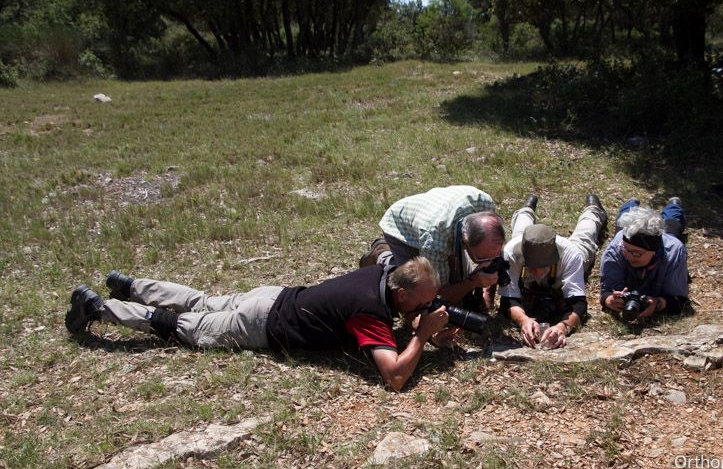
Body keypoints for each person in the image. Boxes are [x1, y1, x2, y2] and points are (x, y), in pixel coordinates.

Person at [64, 258, 457, 391]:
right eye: (424, 301)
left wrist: (419, 324)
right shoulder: (370, 314)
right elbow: (395, 377)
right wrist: (421, 335)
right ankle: (100, 309)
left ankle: (129, 284)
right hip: (263, 323)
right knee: (185, 327)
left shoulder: (380, 275)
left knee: (202, 300)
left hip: (272, 295)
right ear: (403, 296)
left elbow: (394, 309)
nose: (428, 305)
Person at [360, 185, 506, 311]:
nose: (490, 262)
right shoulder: (434, 239)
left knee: (458, 283)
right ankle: (381, 253)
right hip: (402, 227)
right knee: (415, 287)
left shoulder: (486, 205)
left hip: (438, 212)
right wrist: (472, 282)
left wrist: (488, 296)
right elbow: (437, 293)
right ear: (465, 242)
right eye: (482, 259)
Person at [499, 194, 608, 349]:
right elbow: (508, 298)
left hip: (574, 248)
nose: (535, 272)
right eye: (531, 266)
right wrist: (524, 320)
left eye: (541, 267)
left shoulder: (571, 255)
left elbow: (578, 303)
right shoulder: (511, 253)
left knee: (584, 236)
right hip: (521, 243)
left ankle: (593, 211)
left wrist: (563, 327)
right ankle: (525, 210)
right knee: (520, 232)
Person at [599, 197, 689, 319]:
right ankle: (631, 203)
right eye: (626, 249)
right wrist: (609, 299)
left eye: (636, 253)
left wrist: (659, 303)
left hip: (668, 240)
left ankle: (673, 205)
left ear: (654, 251)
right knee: (626, 219)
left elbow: (678, 299)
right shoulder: (616, 249)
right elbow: (607, 290)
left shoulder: (674, 252)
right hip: (626, 235)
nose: (628, 255)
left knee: (672, 226)